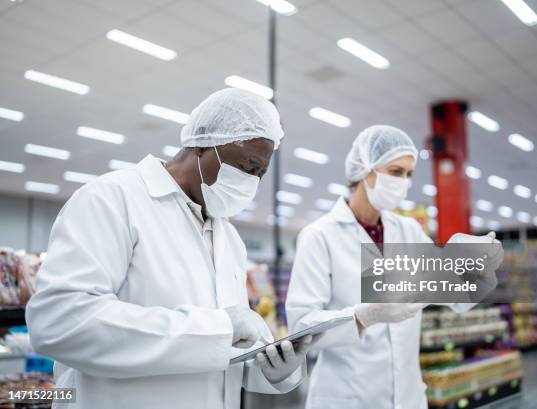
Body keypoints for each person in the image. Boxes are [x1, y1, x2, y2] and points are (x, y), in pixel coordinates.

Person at [26, 88, 311, 409]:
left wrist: (272, 367)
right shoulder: (112, 199)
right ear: (203, 144)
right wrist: (216, 330)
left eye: (260, 174)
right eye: (247, 167)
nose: (252, 182)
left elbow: (224, 354)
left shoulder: (229, 237)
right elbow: (60, 322)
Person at [285, 125, 502, 409]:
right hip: (348, 397)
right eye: (396, 172)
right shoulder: (320, 236)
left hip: (408, 396)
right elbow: (301, 327)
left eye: (409, 174)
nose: (404, 182)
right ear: (365, 169)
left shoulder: (408, 231)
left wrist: (478, 268)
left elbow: (455, 297)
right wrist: (363, 316)